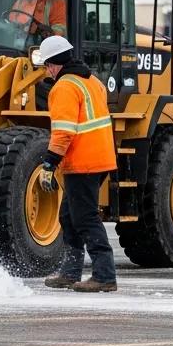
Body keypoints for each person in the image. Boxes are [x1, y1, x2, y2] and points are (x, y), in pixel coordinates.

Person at [34, 35, 118, 292]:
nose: (47, 71)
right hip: (100, 159)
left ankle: (104, 275)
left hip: (84, 162)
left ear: (54, 64)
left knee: (85, 218)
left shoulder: (63, 88)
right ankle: (70, 272)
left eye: (47, 65)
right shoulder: (92, 81)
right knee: (69, 216)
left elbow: (64, 131)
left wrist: (49, 163)